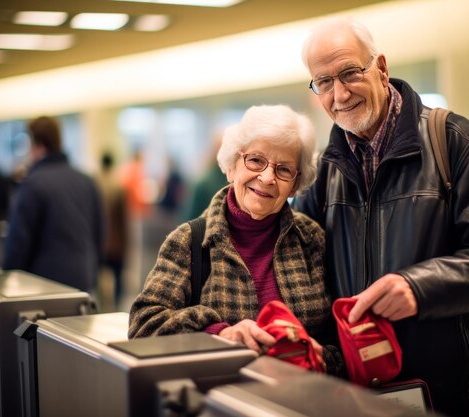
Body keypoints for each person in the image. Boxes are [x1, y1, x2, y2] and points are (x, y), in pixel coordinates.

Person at [292, 18, 469, 417]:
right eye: (324, 82)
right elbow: (300, 264)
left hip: (453, 391)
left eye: (350, 72)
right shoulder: (324, 171)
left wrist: (418, 288)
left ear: (381, 68)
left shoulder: (455, 141)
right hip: (362, 387)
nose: (340, 94)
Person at [128, 104, 343, 374]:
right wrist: (219, 334)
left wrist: (319, 358)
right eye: (255, 160)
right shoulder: (188, 242)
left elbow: (341, 342)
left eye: (284, 169)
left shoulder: (312, 239)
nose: (266, 178)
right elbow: (143, 326)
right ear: (231, 166)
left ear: (296, 184)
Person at [2, 116, 103, 293]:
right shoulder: (86, 181)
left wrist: (6, 280)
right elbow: (100, 232)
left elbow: (18, 243)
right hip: (83, 281)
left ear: (37, 145)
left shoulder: (33, 183)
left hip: (44, 286)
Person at [97, 152, 128, 309]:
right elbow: (123, 221)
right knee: (118, 280)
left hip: (100, 243)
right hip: (116, 243)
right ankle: (115, 308)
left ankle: (103, 307)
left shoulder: (95, 186)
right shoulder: (118, 187)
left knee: (100, 280)